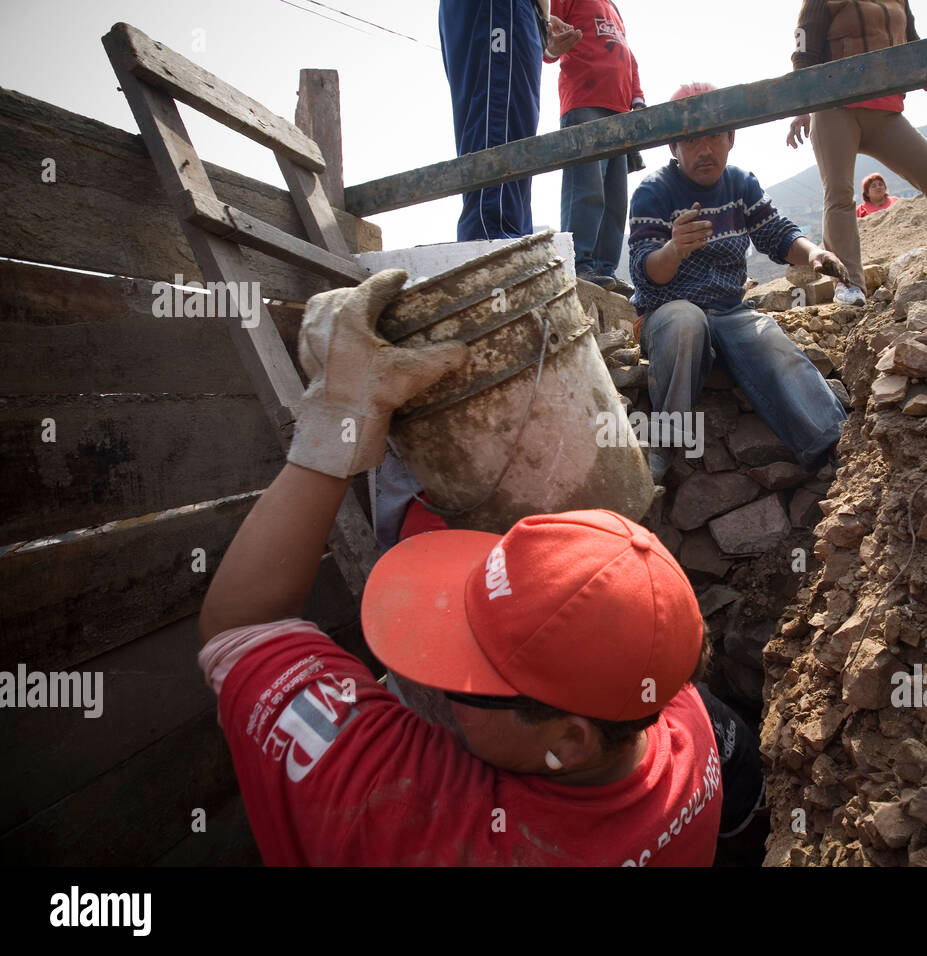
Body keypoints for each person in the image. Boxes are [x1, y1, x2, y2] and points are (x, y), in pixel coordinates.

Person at [197, 269, 724, 866]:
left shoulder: (414, 824)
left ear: (568, 740)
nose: (438, 672)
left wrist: (335, 419)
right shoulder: (680, 722)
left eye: (470, 670)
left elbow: (241, 626)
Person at [629, 81, 850, 485]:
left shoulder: (740, 184)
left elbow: (777, 233)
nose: (705, 149)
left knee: (773, 345)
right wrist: (674, 249)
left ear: (731, 138)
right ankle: (664, 443)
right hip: (667, 313)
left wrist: (815, 254)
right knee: (685, 321)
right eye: (692, 139)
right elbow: (646, 272)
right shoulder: (653, 191)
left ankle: (835, 447)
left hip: (730, 310)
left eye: (714, 135)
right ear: (673, 148)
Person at [787, 0, 927, 307]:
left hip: (885, 110)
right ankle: (848, 284)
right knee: (838, 192)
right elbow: (804, 53)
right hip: (834, 108)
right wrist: (801, 111)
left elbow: (914, 49)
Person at [438, 1, 581, 240]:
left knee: (513, 130)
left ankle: (502, 237)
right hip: (502, 8)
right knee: (499, 126)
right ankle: (494, 242)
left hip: (519, 13)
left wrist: (540, 21)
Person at [546, 0, 645, 295]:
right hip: (584, 102)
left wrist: (637, 96)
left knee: (615, 198)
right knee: (586, 188)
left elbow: (628, 56)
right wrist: (552, 45)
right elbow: (547, 38)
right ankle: (578, 264)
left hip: (620, 111)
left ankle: (605, 269)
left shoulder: (612, 7)